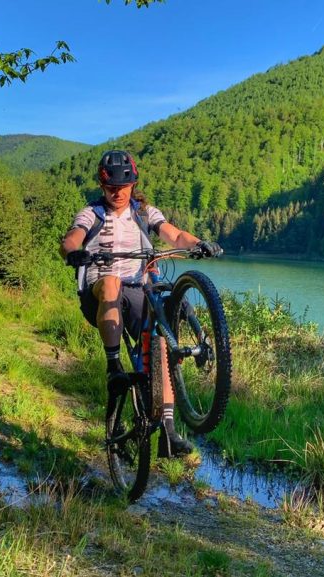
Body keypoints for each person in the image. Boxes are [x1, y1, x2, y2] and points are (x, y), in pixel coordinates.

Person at [60, 150, 222, 458]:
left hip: (138, 290)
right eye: (111, 188)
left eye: (125, 186)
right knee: (110, 281)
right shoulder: (91, 213)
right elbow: (71, 238)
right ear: (102, 185)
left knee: (159, 349)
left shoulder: (145, 212)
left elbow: (173, 234)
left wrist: (199, 243)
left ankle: (169, 434)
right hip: (101, 291)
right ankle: (113, 367)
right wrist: (73, 253)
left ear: (133, 184)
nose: (118, 193)